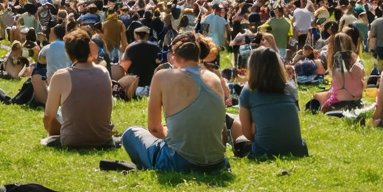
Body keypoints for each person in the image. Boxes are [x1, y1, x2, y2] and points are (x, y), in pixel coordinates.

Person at [121, 33, 230, 172]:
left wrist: (169, 132)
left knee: (130, 134)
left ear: (173, 55)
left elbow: (154, 128)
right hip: (217, 162)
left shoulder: (163, 76)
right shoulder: (214, 77)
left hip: (178, 161)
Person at [42, 29, 116, 148]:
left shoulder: (61, 76)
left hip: (72, 140)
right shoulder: (104, 72)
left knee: (56, 114)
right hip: (103, 138)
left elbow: (49, 116)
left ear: (68, 53)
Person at [235, 47, 308, 158]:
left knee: (238, 138)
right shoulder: (289, 87)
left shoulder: (248, 91)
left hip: (263, 151)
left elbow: (248, 135)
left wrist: (254, 128)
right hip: (297, 149)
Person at [313, 33, 364, 110]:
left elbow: (336, 91)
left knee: (316, 97)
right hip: (356, 100)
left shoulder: (337, 68)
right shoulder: (358, 63)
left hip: (340, 100)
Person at [114, 24, 160, 100]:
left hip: (135, 85)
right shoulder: (155, 47)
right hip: (151, 84)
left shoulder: (130, 48)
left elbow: (124, 67)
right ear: (147, 35)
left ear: (136, 36)